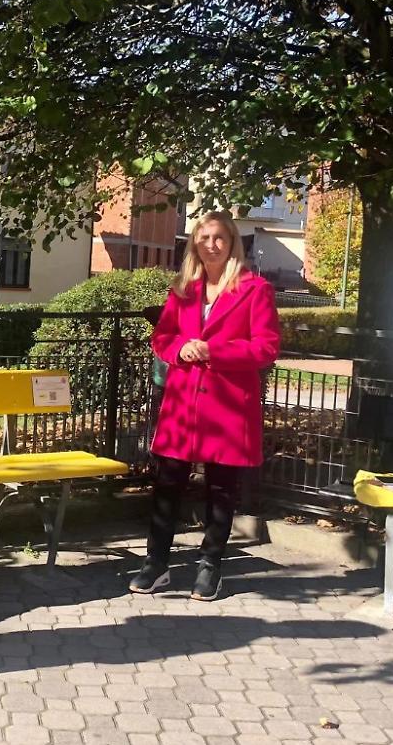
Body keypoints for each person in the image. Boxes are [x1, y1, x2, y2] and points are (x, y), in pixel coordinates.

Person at [131, 210, 280, 601]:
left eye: (219, 238)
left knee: (221, 489)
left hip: (228, 405)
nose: (211, 245)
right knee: (167, 485)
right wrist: (180, 347)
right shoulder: (183, 289)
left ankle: (210, 564)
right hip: (183, 405)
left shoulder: (255, 289)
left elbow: (266, 347)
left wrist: (215, 351)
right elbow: (162, 337)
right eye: (204, 238)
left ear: (232, 244)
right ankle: (156, 563)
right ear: (194, 244)